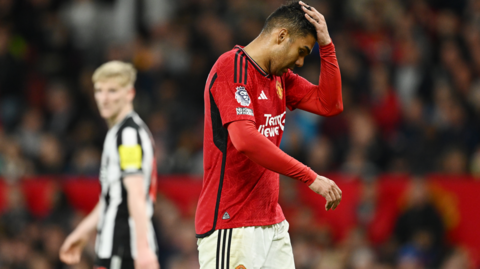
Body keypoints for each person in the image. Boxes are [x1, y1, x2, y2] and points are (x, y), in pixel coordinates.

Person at [196, 1, 343, 268]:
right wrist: (310, 177)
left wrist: (327, 46)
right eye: (301, 51)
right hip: (232, 223)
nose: (299, 62)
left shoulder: (280, 77)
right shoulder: (232, 67)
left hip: (272, 222)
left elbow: (329, 104)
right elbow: (245, 140)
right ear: (281, 35)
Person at [59, 61, 159, 269]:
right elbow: (114, 197)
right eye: (99, 91)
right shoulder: (118, 132)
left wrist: (143, 250)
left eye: (112, 91)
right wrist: (83, 231)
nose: (104, 98)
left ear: (129, 93)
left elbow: (135, 193)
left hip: (124, 248)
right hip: (114, 247)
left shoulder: (128, 135)